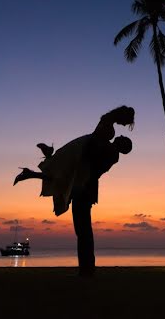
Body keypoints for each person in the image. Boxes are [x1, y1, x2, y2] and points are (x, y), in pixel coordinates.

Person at [13, 105, 134, 275]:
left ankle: (87, 270)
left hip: (84, 187)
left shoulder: (111, 153)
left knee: (83, 230)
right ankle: (86, 269)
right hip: (83, 184)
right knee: (82, 229)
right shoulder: (107, 144)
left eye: (123, 139)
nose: (121, 135)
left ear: (122, 146)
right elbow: (97, 135)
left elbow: (94, 143)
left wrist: (114, 118)